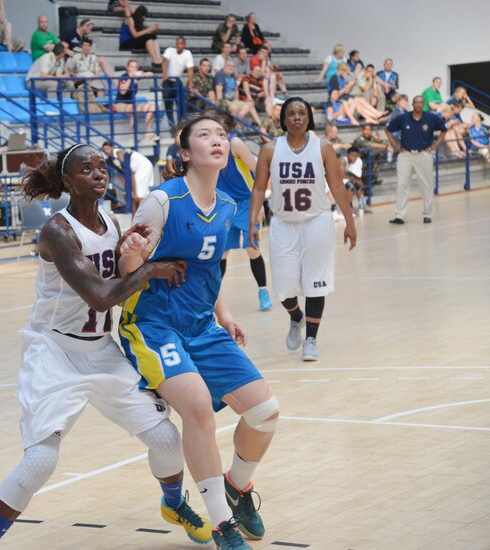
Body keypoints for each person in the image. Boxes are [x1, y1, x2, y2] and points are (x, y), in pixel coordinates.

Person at [0, 144, 211, 549]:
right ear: (67, 181)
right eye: (87, 169)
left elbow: (118, 274)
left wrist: (132, 250)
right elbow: (100, 296)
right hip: (54, 353)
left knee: (167, 440)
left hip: (100, 349)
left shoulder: (111, 222)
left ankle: (173, 504)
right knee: (41, 461)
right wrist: (151, 270)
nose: (99, 174)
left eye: (101, 167)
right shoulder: (57, 232)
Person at [119, 113, 278, 550]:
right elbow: (126, 272)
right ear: (185, 153)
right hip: (153, 325)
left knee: (265, 412)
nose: (217, 141)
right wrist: (133, 255)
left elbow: (209, 268)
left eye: (222, 135)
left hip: (202, 324)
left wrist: (224, 313)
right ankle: (222, 523)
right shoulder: (162, 201)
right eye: (204, 135)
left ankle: (238, 487)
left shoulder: (226, 206)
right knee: (198, 410)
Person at [249, 97, 357, 361]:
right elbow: (260, 188)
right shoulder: (270, 150)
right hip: (283, 224)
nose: (296, 117)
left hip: (317, 222)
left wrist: (350, 222)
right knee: (284, 288)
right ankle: (296, 316)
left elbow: (337, 187)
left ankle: (311, 338)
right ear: (283, 119)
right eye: (291, 113)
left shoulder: (324, 148)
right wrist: (252, 222)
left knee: (315, 284)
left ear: (309, 118)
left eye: (301, 113)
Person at [215, 114, 272, 312]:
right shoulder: (210, 147)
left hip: (246, 202)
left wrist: (260, 202)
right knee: (221, 254)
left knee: (252, 248)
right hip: (223, 204)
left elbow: (258, 170)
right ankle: (213, 298)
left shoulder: (235, 143)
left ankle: (263, 291)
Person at [385, 95, 447, 224]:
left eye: (420, 102)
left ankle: (427, 214)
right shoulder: (403, 118)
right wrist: (396, 145)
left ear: (423, 104)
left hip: (423, 154)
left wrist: (435, 145)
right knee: (402, 185)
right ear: (412, 104)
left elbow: (443, 130)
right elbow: (388, 129)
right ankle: (400, 216)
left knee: (427, 185)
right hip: (405, 154)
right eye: (416, 102)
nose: (418, 104)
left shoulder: (431, 118)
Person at [101, 141, 154, 213]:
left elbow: (129, 172)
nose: (106, 151)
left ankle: (144, 215)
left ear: (112, 148)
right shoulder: (111, 159)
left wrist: (134, 192)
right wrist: (126, 190)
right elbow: (123, 175)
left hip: (143, 167)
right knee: (133, 196)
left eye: (107, 148)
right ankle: (135, 217)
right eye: (104, 149)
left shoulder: (118, 153)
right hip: (136, 171)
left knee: (138, 195)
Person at [114, 59, 158, 142]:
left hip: (131, 103)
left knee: (152, 107)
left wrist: (143, 74)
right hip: (120, 103)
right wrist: (131, 78)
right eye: (132, 67)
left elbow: (151, 74)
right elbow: (123, 91)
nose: (134, 69)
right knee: (135, 109)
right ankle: (132, 135)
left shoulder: (136, 77)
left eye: (136, 67)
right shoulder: (124, 76)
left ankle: (149, 133)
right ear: (127, 68)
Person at [161, 36, 194, 127]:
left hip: (177, 81)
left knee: (180, 104)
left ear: (184, 45)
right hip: (167, 81)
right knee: (168, 105)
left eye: (180, 43)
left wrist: (190, 85)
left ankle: (181, 126)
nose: (178, 45)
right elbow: (164, 61)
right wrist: (164, 73)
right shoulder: (170, 50)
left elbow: (190, 70)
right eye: (177, 43)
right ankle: (172, 126)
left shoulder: (187, 53)